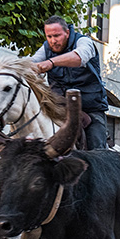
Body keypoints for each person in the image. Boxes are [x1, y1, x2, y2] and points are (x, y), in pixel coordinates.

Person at [32, 15, 108, 150]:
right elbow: (31, 62)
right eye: (49, 37)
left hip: (91, 108)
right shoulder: (46, 48)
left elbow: (79, 57)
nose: (52, 41)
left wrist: (51, 62)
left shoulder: (84, 42)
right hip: (60, 108)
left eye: (56, 36)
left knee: (97, 148)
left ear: (67, 33)